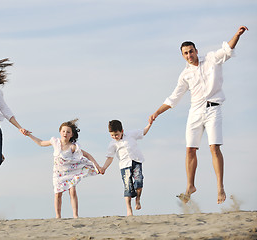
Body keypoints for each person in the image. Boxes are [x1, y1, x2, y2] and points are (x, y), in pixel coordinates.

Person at [148, 26, 248, 204]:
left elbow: (227, 50)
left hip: (213, 109)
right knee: (190, 149)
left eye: (191, 51)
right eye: (185, 53)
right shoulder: (185, 75)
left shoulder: (211, 59)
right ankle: (190, 186)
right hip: (195, 111)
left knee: (214, 148)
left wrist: (237, 35)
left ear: (196, 51)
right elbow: (174, 98)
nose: (189, 55)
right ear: (182, 56)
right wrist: (156, 112)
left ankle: (220, 187)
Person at [27, 119, 102, 218]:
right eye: (63, 131)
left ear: (71, 134)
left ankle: (75, 215)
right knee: (58, 194)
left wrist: (97, 165)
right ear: (60, 132)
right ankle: (58, 216)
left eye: (68, 132)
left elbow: (87, 155)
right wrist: (29, 135)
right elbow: (41, 143)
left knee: (72, 191)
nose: (65, 133)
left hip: (70, 172)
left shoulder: (73, 147)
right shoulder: (55, 142)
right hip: (58, 173)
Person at [100, 120, 152, 216]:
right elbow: (110, 158)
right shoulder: (113, 144)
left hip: (136, 161)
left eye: (116, 135)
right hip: (124, 166)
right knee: (128, 187)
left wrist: (149, 124)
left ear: (122, 131)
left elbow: (143, 132)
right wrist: (104, 168)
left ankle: (138, 200)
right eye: (112, 135)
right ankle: (129, 209)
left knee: (139, 181)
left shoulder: (131, 134)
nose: (115, 137)